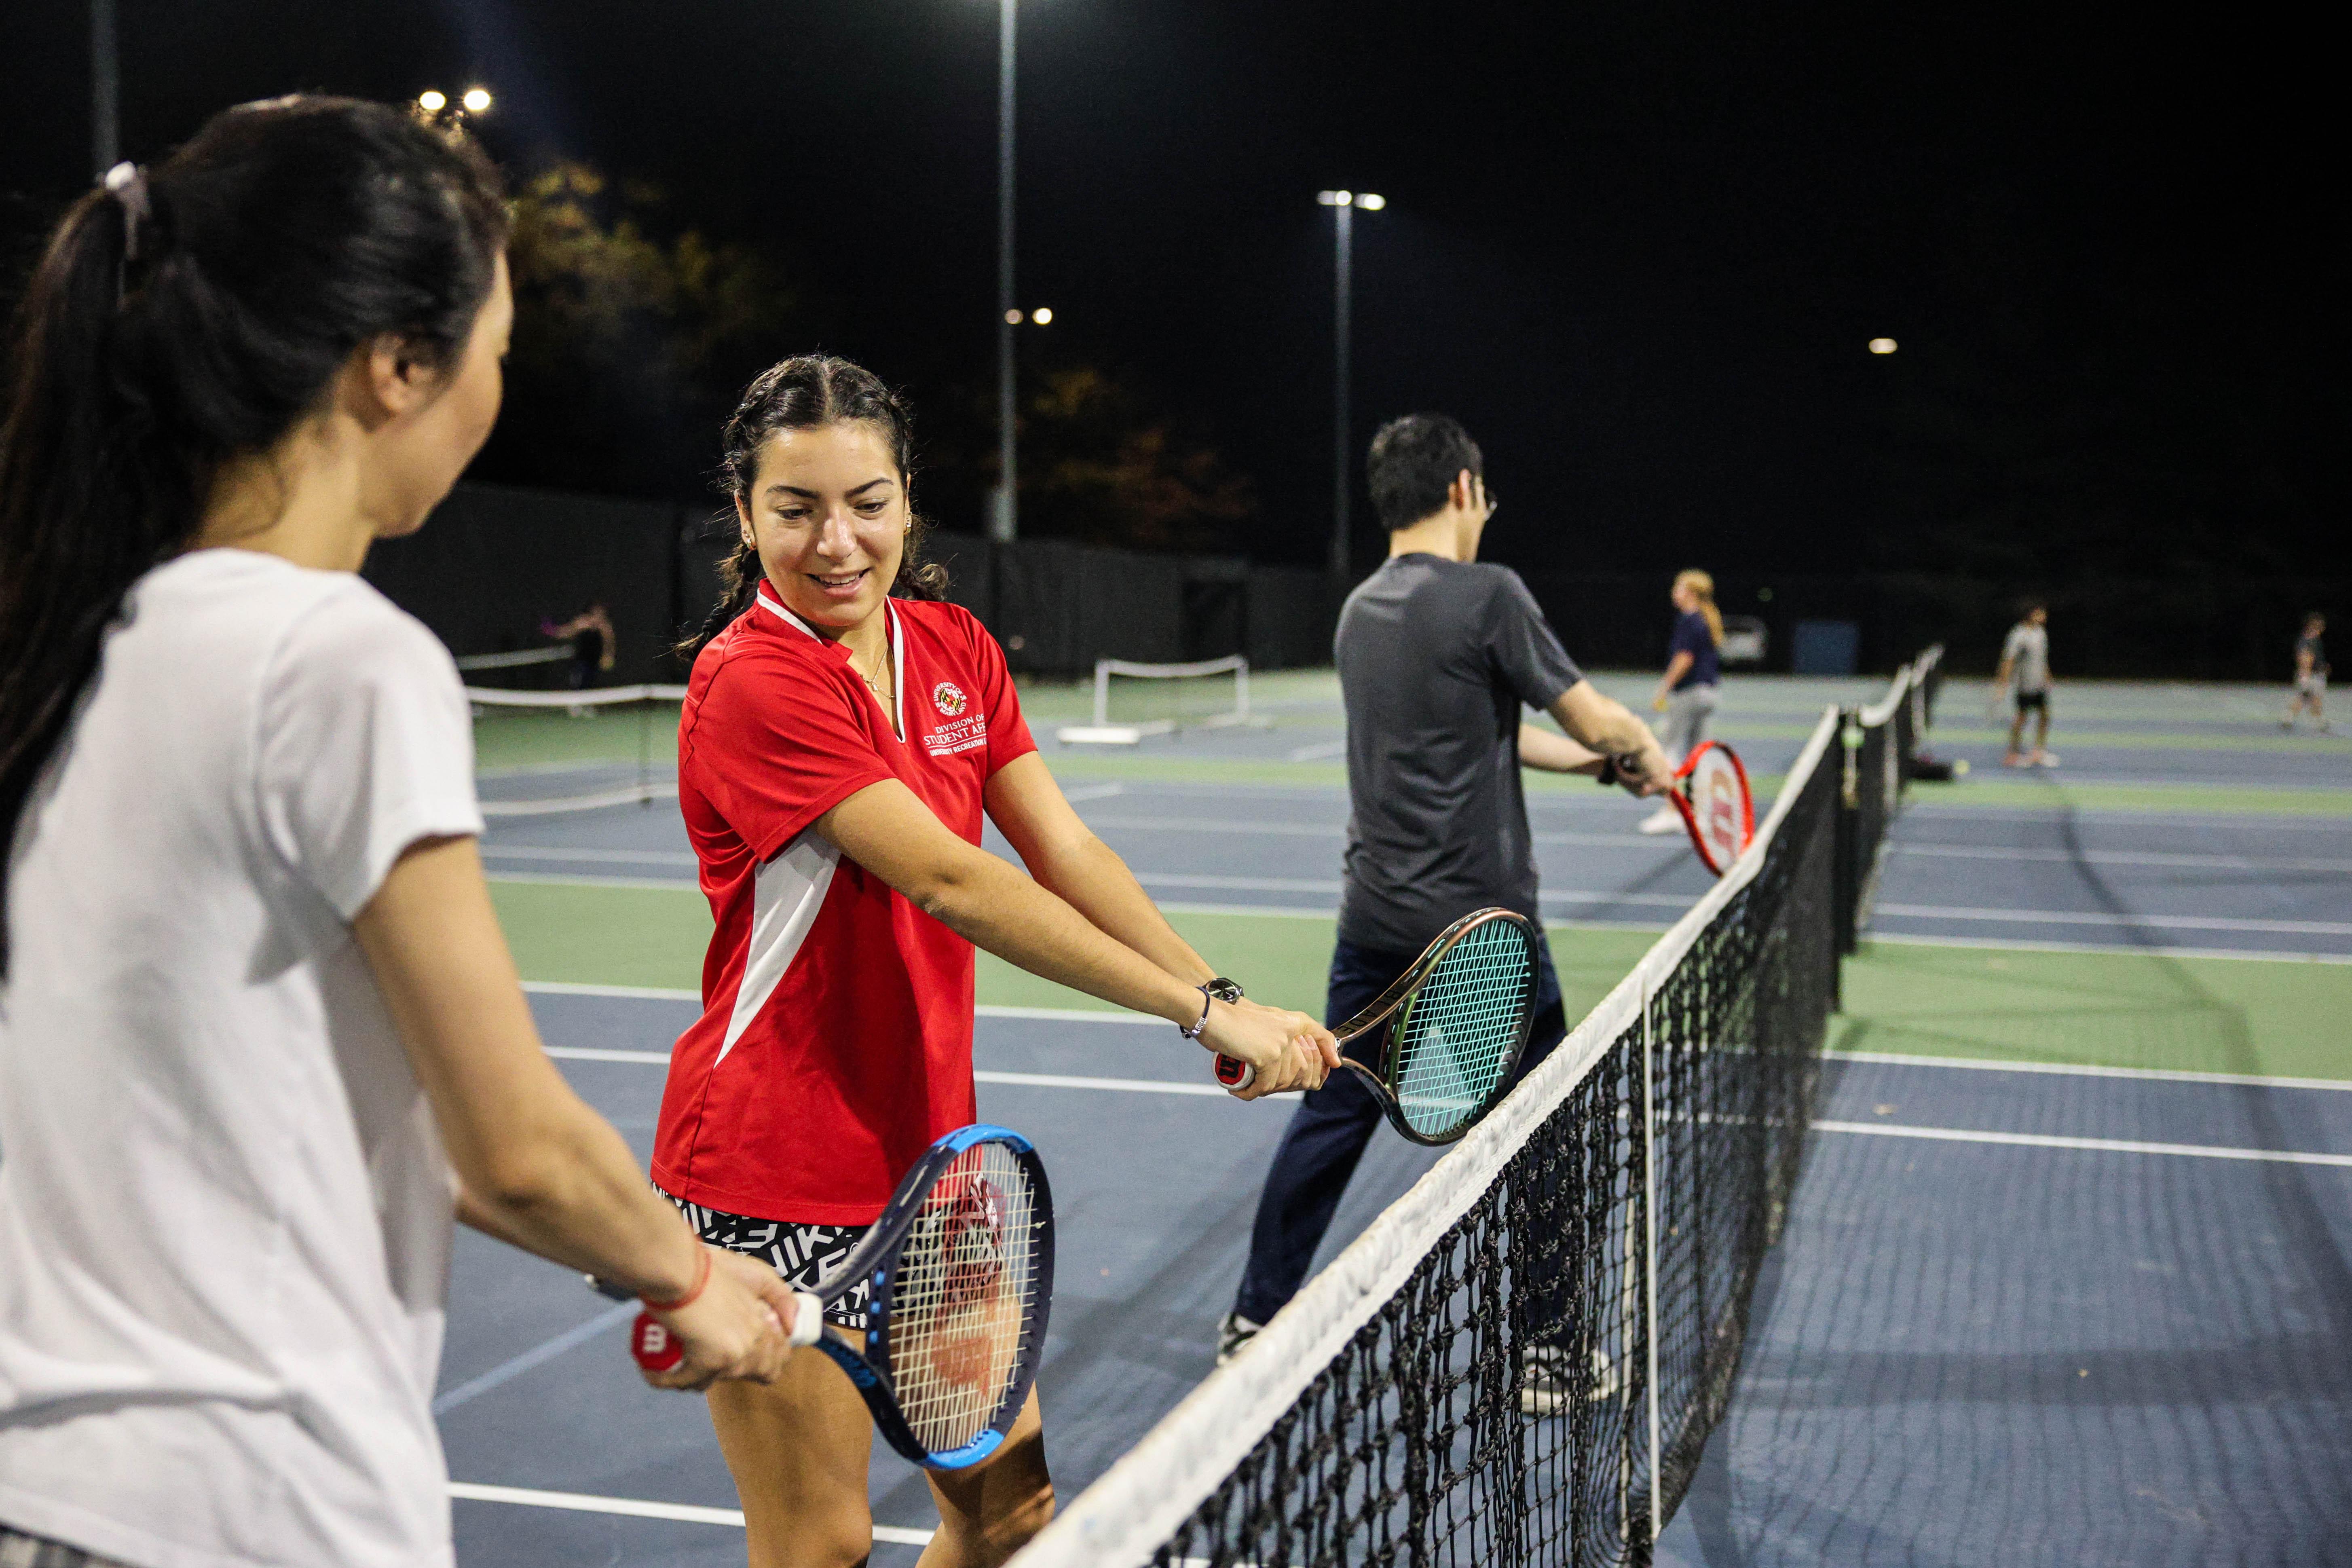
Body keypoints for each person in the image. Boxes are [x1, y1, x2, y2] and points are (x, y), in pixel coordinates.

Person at [0, 98, 794, 1568]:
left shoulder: (60, 648)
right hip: (245, 1506)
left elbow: (359, 1134)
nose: (494, 388)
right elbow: (521, 1150)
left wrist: (668, 1268)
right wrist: (688, 1272)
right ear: (397, 367)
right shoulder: (336, 659)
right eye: (493, 348)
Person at [653, 354, 1340, 1568]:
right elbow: (951, 876)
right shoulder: (752, 678)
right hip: (773, 1171)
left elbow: (1063, 845)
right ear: (745, 511)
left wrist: (1222, 993)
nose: (835, 541)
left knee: (1008, 1511)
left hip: (929, 1164)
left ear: (908, 499)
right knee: (820, 1540)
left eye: (866, 501)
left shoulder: (956, 647)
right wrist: (1196, 1015)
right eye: (795, 507)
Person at [1216, 413, 1671, 1406]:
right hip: (1481, 936)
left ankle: (1255, 1319)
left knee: (1333, 1114)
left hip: (1375, 919)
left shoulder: (1359, 613)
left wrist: (1598, 768)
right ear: (1464, 489)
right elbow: (1595, 714)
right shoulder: (1490, 595)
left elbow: (1487, 737)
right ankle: (1549, 1349)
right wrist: (1642, 752)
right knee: (1546, 1133)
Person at [1637, 568, 1725, 833]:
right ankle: (1698, 813)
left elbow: (1684, 658)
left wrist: (1664, 688)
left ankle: (1672, 811)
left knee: (1669, 751)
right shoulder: (1706, 620)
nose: (1674, 593)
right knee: (1697, 754)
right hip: (1709, 694)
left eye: (1678, 588)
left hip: (1689, 693)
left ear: (1688, 593)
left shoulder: (1689, 620)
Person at [1996, 602, 2057, 766]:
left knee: (2045, 716)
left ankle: (2038, 751)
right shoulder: (2018, 635)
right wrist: (2003, 685)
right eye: (2040, 614)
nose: (2043, 617)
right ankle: (2012, 753)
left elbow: (2042, 658)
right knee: (2021, 719)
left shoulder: (2041, 633)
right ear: (2030, 614)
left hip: (2039, 685)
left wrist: (2047, 675)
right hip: (2025, 684)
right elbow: (2009, 661)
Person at [2282, 612, 2329, 732]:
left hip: (2314, 674)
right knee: (2312, 697)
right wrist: (2305, 675)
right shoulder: (2306, 641)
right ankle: (2319, 721)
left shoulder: (2314, 640)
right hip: (2311, 675)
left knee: (2305, 698)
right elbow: (2305, 658)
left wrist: (2323, 666)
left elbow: (2315, 658)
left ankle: (2289, 717)